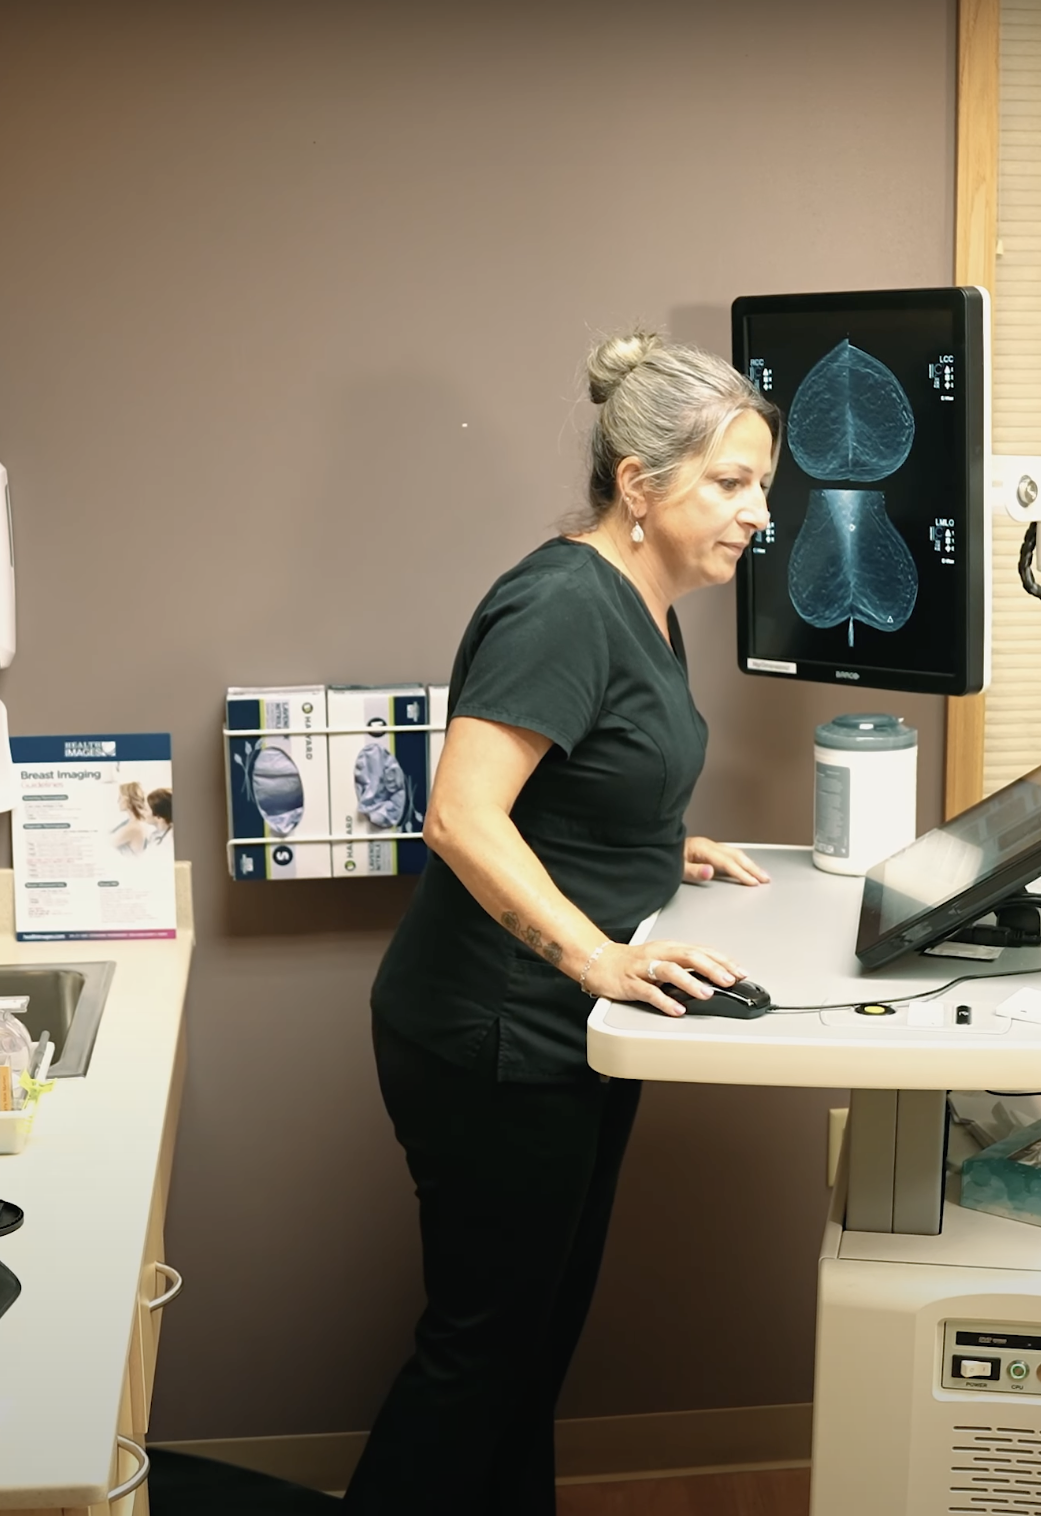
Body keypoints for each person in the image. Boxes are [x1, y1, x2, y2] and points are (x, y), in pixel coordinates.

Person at [346, 332, 777, 1513]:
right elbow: (462, 816)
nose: (756, 516)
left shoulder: (648, 598)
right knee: (479, 1358)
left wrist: (650, 838)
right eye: (731, 485)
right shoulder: (564, 604)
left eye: (763, 490)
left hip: (560, 1032)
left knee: (527, 1356)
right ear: (638, 486)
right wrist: (598, 952)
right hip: (494, 1037)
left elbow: (571, 773)